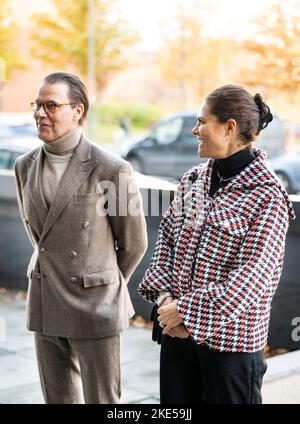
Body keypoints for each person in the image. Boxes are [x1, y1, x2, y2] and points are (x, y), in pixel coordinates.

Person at [138, 84, 295, 404]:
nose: (195, 130)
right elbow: (165, 240)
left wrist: (184, 311)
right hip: (176, 338)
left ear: (229, 128)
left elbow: (254, 278)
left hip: (230, 349)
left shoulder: (267, 196)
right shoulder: (192, 180)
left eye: (201, 122)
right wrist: (167, 302)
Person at [14, 71, 147, 404]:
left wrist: (103, 285)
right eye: (37, 105)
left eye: (50, 105)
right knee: (57, 399)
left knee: (103, 401)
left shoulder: (111, 168)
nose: (40, 113)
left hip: (96, 306)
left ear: (78, 111)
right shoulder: (23, 166)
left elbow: (134, 243)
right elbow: (39, 236)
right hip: (45, 300)